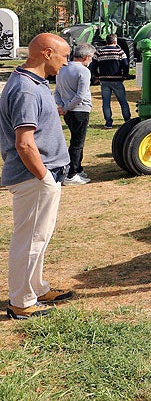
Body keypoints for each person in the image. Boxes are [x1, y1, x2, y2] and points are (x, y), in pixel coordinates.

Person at [1, 33, 76, 319]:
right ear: (46, 54)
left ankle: (36, 287)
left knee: (38, 237)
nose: (66, 62)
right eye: (63, 56)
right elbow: (24, 142)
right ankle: (21, 303)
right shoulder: (26, 89)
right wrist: (44, 176)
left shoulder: (33, 83)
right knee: (30, 240)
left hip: (41, 176)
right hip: (34, 177)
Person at [54, 43, 96, 185]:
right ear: (86, 57)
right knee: (77, 143)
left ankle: (77, 169)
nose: (91, 61)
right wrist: (67, 106)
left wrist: (63, 106)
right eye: (91, 58)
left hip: (69, 111)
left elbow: (57, 91)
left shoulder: (62, 69)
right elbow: (80, 96)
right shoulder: (83, 71)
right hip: (80, 110)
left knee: (76, 142)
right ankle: (71, 174)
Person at [93, 33, 131, 128]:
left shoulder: (99, 52)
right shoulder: (120, 52)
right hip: (117, 79)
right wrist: (124, 76)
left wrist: (97, 76)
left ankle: (108, 123)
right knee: (122, 101)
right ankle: (127, 120)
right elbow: (126, 65)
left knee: (106, 102)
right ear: (115, 41)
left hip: (104, 80)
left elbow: (93, 66)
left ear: (106, 41)